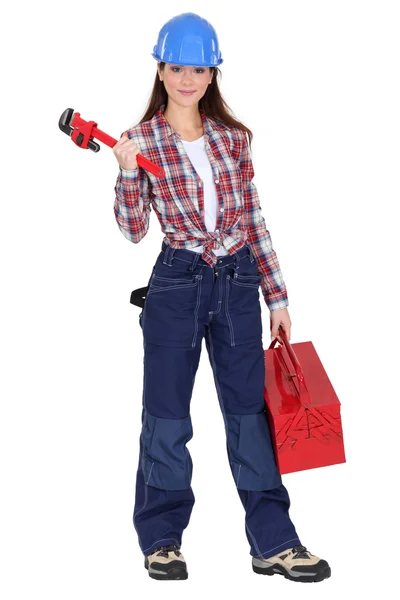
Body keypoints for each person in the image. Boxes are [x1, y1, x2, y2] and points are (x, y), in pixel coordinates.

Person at [113, 12, 331, 583]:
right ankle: (161, 539)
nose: (188, 78)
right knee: (166, 418)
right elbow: (134, 229)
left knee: (250, 417)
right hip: (176, 285)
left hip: (236, 286)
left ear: (213, 75)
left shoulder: (234, 140)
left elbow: (254, 221)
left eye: (199, 68)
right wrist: (129, 173)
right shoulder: (141, 141)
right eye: (177, 66)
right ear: (160, 70)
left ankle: (274, 543)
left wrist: (276, 297)